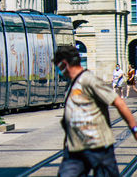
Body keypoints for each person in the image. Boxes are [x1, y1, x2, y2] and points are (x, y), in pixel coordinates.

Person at [53, 46, 137, 177]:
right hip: (75, 148)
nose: (57, 70)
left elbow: (118, 102)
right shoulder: (72, 84)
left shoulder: (89, 80)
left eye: (57, 65)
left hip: (98, 147)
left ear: (64, 64)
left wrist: (135, 129)